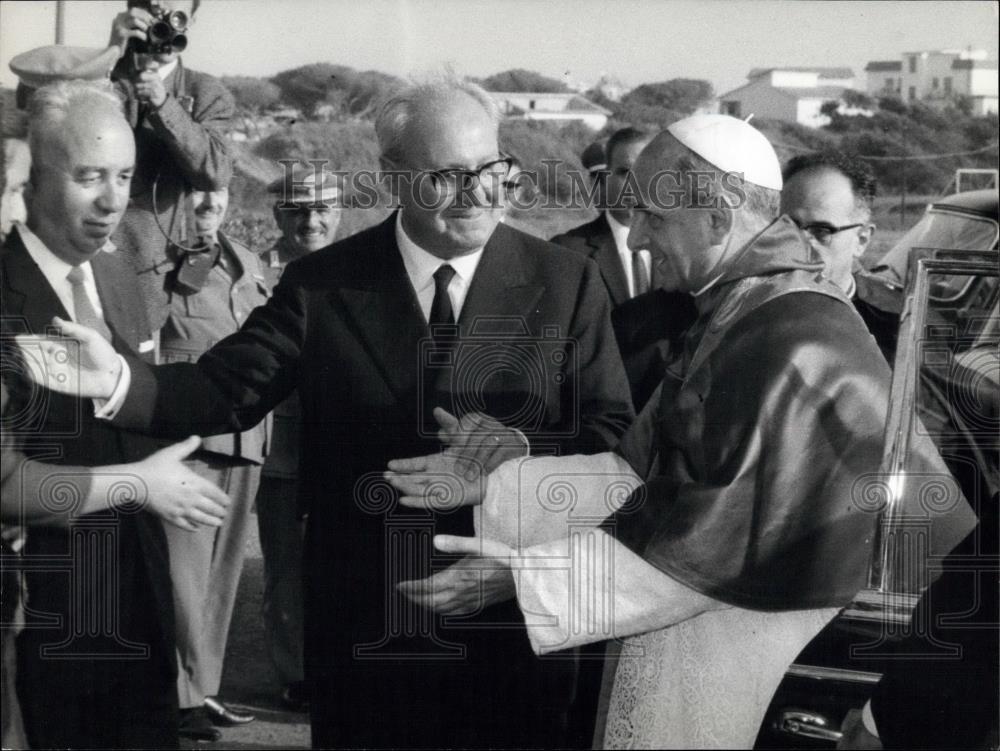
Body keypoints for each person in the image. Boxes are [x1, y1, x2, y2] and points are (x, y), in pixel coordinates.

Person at [21, 77, 634, 749]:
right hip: (368, 638)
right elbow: (225, 387)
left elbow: (612, 437)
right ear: (395, 177)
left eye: (493, 170)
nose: (479, 193)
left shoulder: (565, 280)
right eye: (450, 176)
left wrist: (516, 451)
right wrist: (122, 383)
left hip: (511, 629)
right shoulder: (323, 284)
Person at [383, 114, 977, 749]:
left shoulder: (790, 338)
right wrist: (497, 490)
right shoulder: (746, 307)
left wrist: (522, 580)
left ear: (718, 219)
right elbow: (639, 477)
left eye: (654, 217)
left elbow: (705, 544)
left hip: (807, 643)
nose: (635, 237)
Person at [0, 77, 193, 750]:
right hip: (39, 623)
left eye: (125, 176)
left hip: (138, 607)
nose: (113, 200)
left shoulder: (118, 273)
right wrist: (142, 481)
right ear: (34, 180)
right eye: (89, 177)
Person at [157, 185, 269, 739]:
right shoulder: (158, 262)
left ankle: (203, 690)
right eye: (195, 193)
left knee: (223, 576)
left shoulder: (247, 261)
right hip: (189, 440)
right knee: (184, 576)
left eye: (217, 193)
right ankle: (178, 697)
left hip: (247, 437)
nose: (208, 205)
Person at [256, 165, 342, 712]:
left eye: (322, 208)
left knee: (341, 563)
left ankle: (339, 664)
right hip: (280, 444)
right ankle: (297, 674)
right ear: (277, 214)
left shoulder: (358, 268)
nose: (310, 219)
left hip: (341, 442)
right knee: (284, 568)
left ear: (340, 212)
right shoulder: (253, 272)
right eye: (297, 209)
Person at [106, 0, 235, 333]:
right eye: (152, 10)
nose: (162, 22)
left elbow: (215, 171)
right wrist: (109, 55)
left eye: (175, 13)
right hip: (80, 251)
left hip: (147, 264)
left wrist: (164, 104)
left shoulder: (205, 92)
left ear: (189, 20)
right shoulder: (102, 72)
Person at [552, 127, 696, 410]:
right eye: (624, 172)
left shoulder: (686, 253)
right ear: (605, 177)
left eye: (649, 172)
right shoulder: (566, 252)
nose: (636, 184)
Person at [781, 151, 899, 362]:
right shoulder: (742, 309)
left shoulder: (899, 324)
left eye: (821, 231)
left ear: (861, 240)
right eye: (788, 227)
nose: (802, 243)